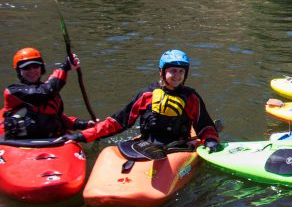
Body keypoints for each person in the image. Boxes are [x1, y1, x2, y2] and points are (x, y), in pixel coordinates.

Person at [63, 49, 220, 150]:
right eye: (173, 71)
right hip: (148, 145)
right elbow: (118, 122)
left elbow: (205, 126)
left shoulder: (191, 98)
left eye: (181, 71)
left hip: (180, 147)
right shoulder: (146, 95)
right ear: (162, 72)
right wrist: (82, 136)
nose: (177, 76)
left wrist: (211, 140)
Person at [3, 47, 93, 140]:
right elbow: (46, 92)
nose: (32, 71)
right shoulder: (12, 91)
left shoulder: (49, 89)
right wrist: (64, 67)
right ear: (19, 71)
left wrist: (80, 124)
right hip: (20, 143)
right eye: (26, 68)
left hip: (53, 141)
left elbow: (55, 116)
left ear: (41, 68)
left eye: (35, 66)